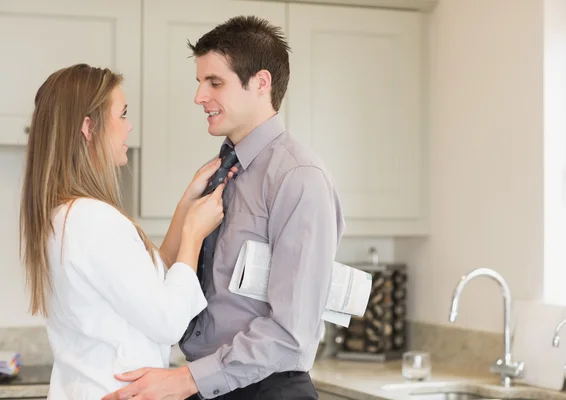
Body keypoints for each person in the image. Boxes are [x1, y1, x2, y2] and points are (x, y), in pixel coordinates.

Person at [103, 15, 345, 400]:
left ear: (261, 83)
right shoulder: (221, 171)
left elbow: (290, 333)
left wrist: (185, 380)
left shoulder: (299, 178)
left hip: (264, 390)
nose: (199, 96)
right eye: (199, 83)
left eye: (214, 82)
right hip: (209, 386)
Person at [19, 63, 234, 399]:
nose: (129, 126)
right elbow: (168, 320)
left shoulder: (63, 216)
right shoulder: (92, 219)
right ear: (89, 127)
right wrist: (193, 234)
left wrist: (184, 207)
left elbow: (148, 286)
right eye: (122, 114)